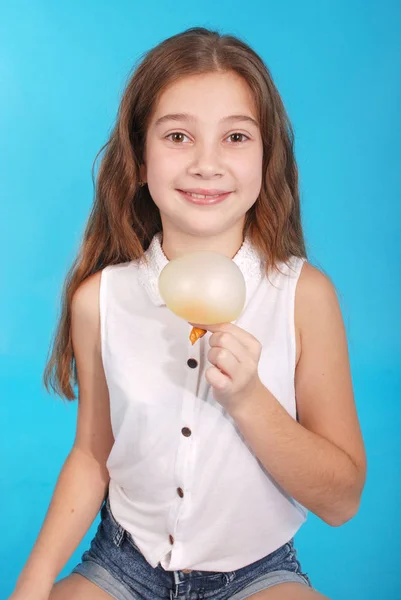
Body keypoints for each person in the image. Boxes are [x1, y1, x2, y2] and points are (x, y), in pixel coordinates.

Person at [10, 26, 367, 600]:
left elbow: (342, 500)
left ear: (266, 155)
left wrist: (250, 400)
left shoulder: (304, 296)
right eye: (178, 135)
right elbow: (91, 454)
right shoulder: (99, 300)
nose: (207, 163)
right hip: (123, 563)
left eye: (235, 137)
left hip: (258, 573)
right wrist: (30, 582)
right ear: (140, 159)